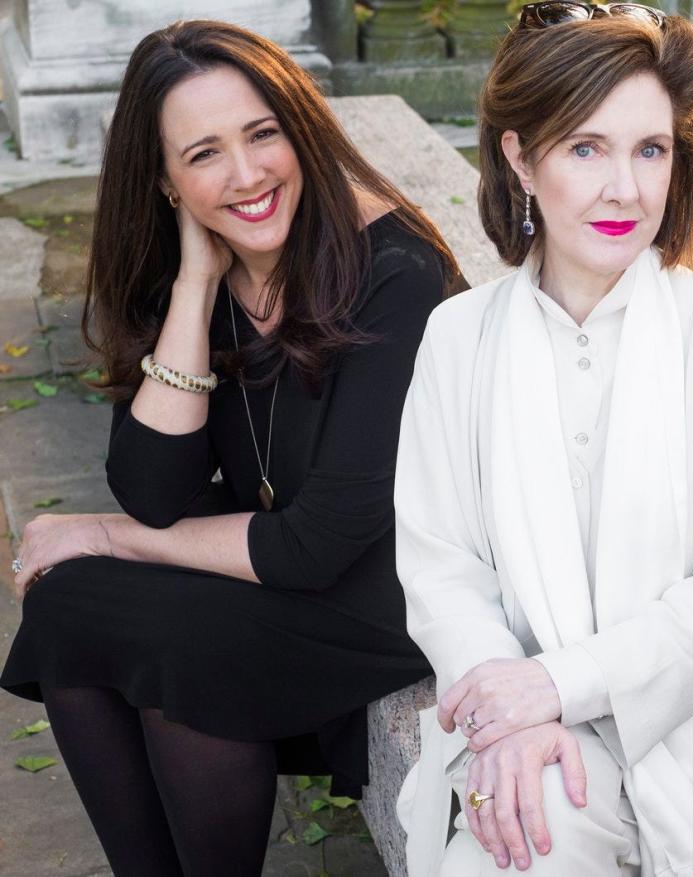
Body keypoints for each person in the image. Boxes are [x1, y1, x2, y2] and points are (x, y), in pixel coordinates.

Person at [1, 20, 458, 876]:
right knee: (67, 605)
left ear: (301, 129)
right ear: (167, 183)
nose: (246, 176)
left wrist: (102, 533)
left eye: (262, 134)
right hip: (286, 561)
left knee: (179, 651)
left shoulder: (396, 274)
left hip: (389, 593)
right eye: (204, 154)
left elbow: (323, 539)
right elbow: (153, 487)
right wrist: (197, 282)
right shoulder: (202, 274)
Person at [392, 4, 693, 875]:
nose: (625, 188)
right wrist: (510, 705)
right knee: (518, 836)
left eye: (650, 150)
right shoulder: (457, 336)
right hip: (510, 700)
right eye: (585, 148)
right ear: (520, 156)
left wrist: (557, 685)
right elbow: (440, 563)